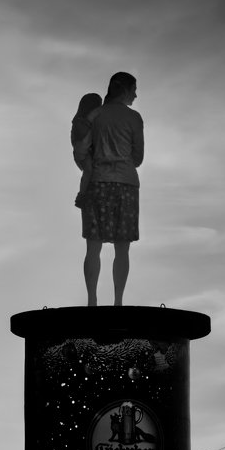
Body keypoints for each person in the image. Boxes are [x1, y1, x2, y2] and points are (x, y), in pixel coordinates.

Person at [75, 72, 143, 306]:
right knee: (122, 248)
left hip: (97, 184)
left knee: (93, 246)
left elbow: (81, 148)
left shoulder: (96, 115)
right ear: (124, 90)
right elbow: (138, 157)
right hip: (127, 185)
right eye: (134, 89)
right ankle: (118, 302)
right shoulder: (134, 118)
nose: (135, 95)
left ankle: (92, 301)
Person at [71, 92, 102, 209]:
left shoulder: (93, 120)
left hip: (89, 151)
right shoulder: (79, 121)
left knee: (90, 170)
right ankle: (81, 195)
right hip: (83, 152)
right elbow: (82, 139)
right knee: (88, 169)